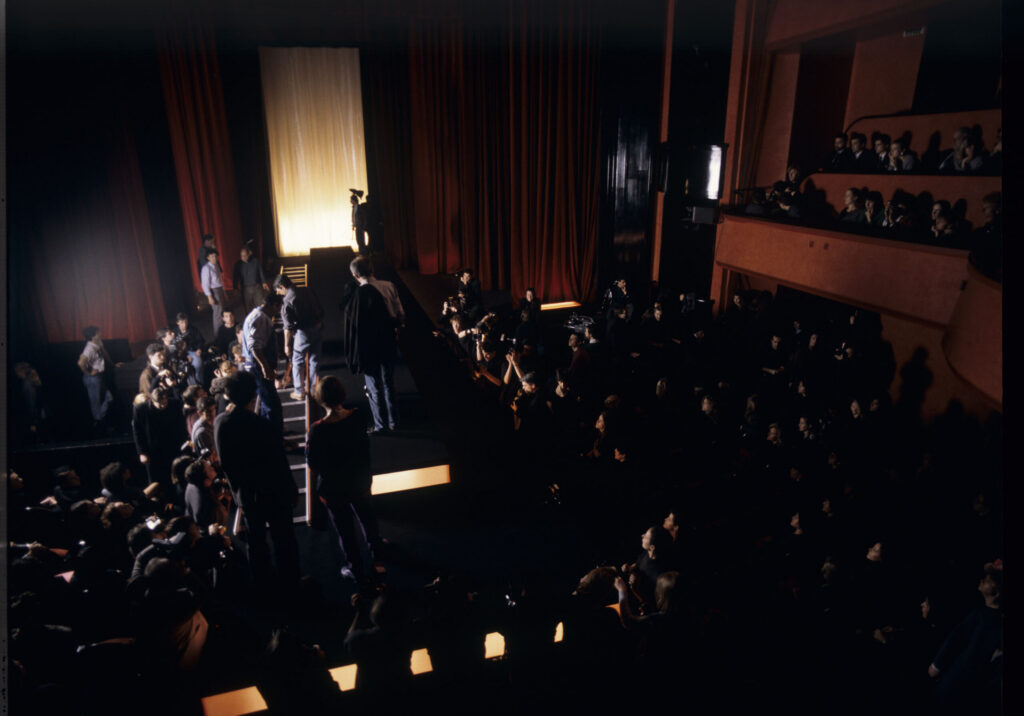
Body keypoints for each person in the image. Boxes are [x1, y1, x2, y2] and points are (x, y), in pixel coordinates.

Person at [213, 370, 301, 596]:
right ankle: (291, 584)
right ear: (253, 396)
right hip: (274, 492)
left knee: (256, 541)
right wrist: (291, 490)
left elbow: (226, 463)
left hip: (246, 494)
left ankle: (263, 586)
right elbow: (278, 464)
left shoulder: (220, 423)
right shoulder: (262, 426)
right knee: (284, 540)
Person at [306, 376, 381, 582]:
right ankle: (378, 558)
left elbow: (313, 464)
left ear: (320, 399)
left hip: (334, 489)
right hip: (359, 481)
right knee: (368, 520)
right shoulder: (357, 417)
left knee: (345, 531)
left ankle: (355, 569)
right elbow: (364, 449)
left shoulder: (317, 429)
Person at [342, 256, 400, 434]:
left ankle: (380, 424)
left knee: (374, 386)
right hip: (388, 340)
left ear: (354, 274)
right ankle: (393, 422)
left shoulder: (357, 295)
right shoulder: (388, 286)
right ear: (372, 268)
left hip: (368, 347)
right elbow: (400, 314)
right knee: (389, 383)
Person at [274, 274, 325, 401]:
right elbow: (321, 308)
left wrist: (286, 345)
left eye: (279, 290)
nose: (279, 294)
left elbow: (288, 327)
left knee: (297, 361)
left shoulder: (287, 301)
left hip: (303, 332)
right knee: (314, 360)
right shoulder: (307, 289)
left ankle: (299, 390)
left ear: (282, 286)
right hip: (318, 327)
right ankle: (314, 389)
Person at [241, 292, 284, 435]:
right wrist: (265, 367)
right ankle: (275, 437)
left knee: (268, 404)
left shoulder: (258, 315)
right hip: (258, 367)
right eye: (278, 308)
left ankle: (273, 434)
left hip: (259, 366)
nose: (278, 312)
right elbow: (255, 347)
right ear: (273, 305)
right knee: (271, 405)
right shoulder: (260, 318)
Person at [132, 386, 187, 490]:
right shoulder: (140, 410)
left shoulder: (175, 404)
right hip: (153, 450)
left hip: (173, 447)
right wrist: (142, 452)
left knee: (177, 477)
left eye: (165, 402)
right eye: (160, 403)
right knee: (157, 481)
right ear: (152, 401)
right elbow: (137, 432)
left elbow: (181, 426)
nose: (163, 405)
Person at [78, 326, 114, 430]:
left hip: (99, 377)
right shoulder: (89, 348)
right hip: (92, 379)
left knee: (109, 398)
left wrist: (113, 364)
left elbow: (104, 353)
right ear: (93, 335)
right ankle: (99, 423)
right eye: (99, 333)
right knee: (96, 403)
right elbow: (81, 363)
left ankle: (99, 419)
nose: (101, 334)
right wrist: (89, 372)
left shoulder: (97, 344)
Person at [233, 246, 269, 315]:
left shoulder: (255, 261)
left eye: (245, 256)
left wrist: (264, 282)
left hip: (257, 286)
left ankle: (262, 319)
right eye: (241, 256)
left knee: (261, 304)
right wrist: (235, 288)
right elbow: (235, 277)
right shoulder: (238, 264)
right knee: (248, 307)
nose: (243, 258)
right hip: (246, 289)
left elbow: (260, 271)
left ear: (249, 254)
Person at [200, 247, 227, 334]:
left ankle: (224, 331)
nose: (214, 258)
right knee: (217, 314)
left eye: (215, 256)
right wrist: (209, 297)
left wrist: (224, 291)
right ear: (208, 257)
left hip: (219, 290)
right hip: (213, 291)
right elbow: (205, 284)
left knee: (222, 311)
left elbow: (220, 280)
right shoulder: (206, 268)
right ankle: (218, 334)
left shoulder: (216, 266)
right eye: (212, 256)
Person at [173, 312, 204, 385]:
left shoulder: (193, 329)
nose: (184, 324)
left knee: (198, 364)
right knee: (186, 369)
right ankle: (192, 386)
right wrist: (185, 357)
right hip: (181, 355)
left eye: (186, 322)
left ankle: (200, 384)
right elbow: (175, 348)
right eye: (182, 322)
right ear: (177, 323)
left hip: (193, 351)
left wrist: (199, 349)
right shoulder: (174, 333)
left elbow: (200, 340)